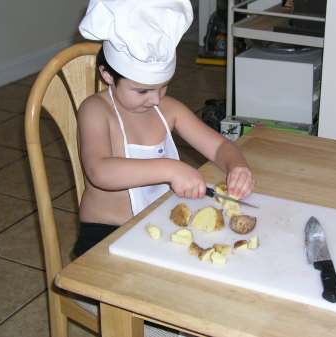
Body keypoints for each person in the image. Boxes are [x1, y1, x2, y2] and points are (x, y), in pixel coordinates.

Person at [73, 0, 256, 257]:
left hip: (158, 225)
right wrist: (171, 169)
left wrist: (237, 166)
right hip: (106, 233)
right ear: (107, 76)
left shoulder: (168, 109)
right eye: (142, 91)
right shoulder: (95, 110)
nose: (156, 99)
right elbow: (99, 171)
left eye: (163, 86)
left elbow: (218, 146)